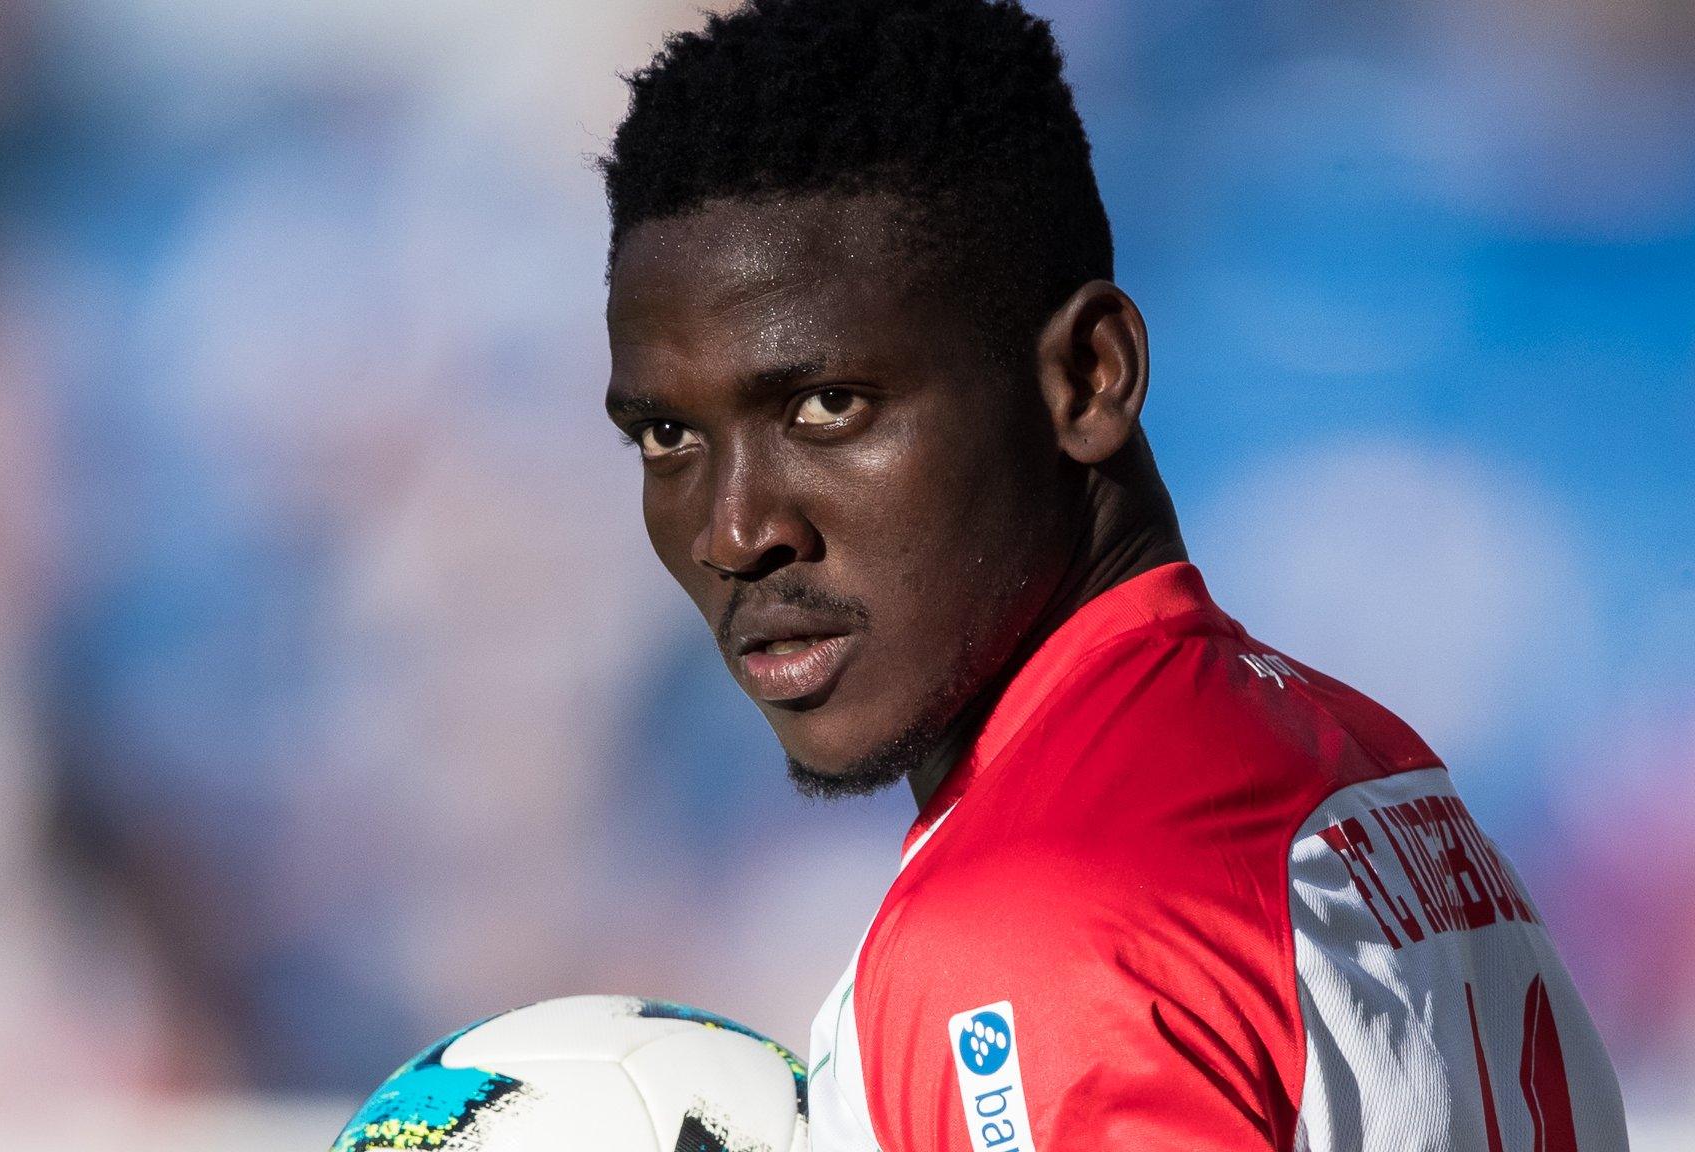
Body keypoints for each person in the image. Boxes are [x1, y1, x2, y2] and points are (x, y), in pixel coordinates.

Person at [596, 1, 1629, 1149]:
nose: (734, 533)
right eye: (666, 439)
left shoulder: (1030, 922)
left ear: (1088, 379)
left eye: (827, 405)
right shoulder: (1372, 777)